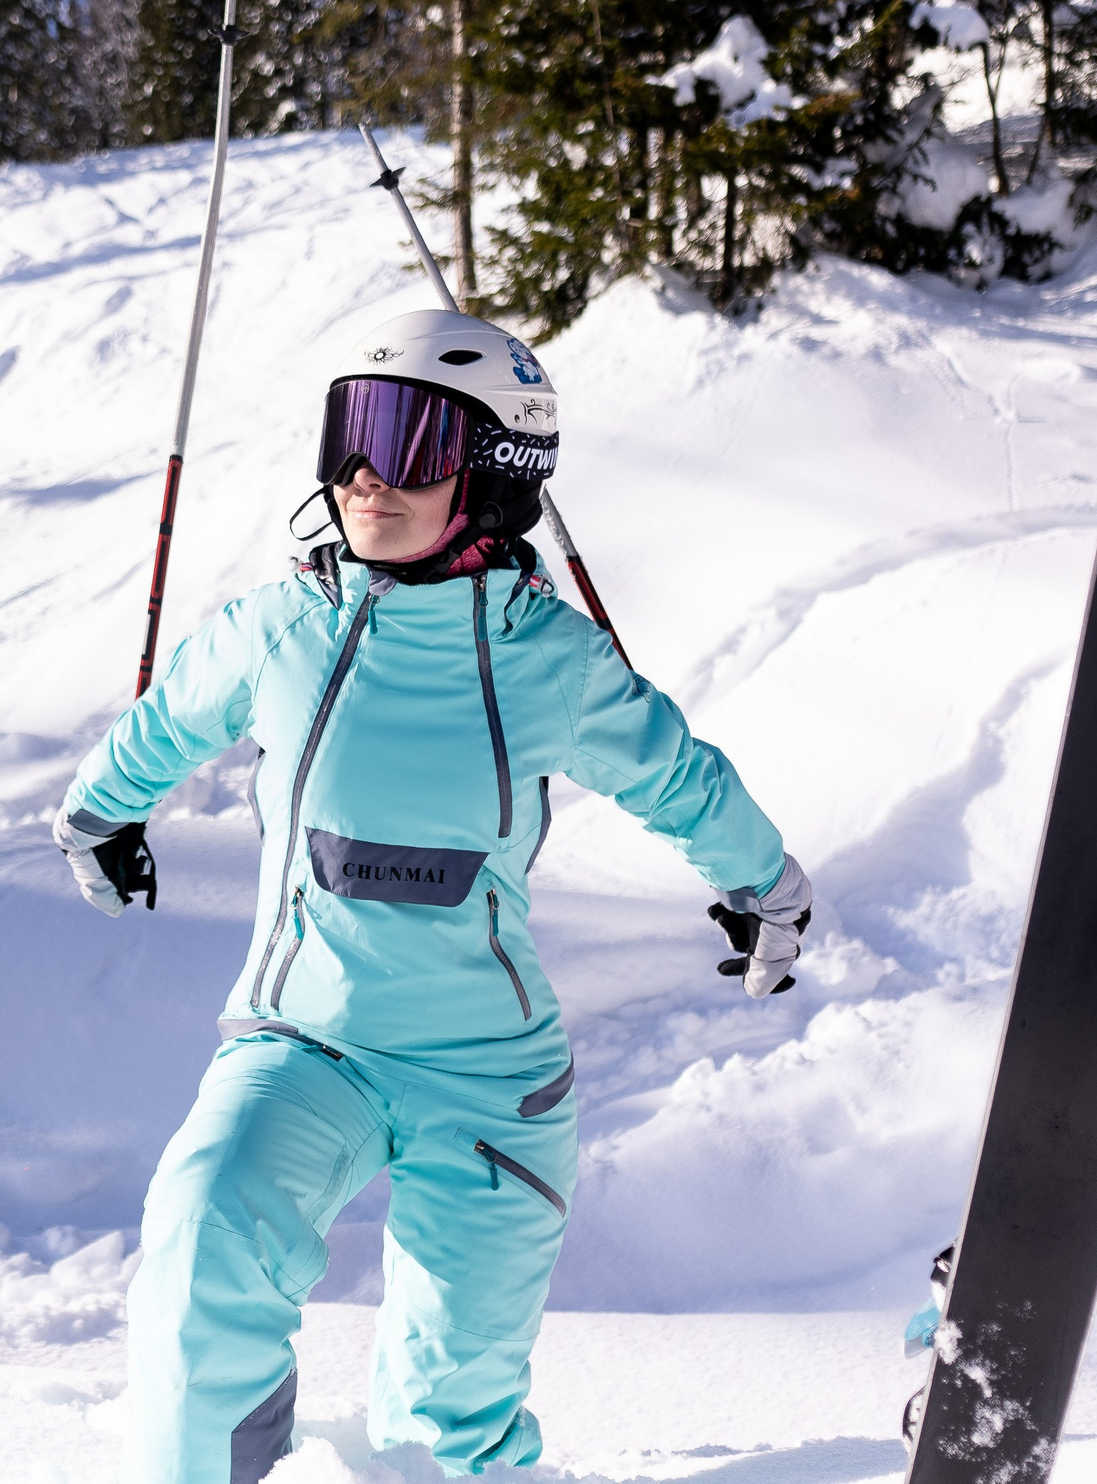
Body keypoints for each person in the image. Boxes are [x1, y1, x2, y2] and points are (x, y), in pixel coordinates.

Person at [54, 309, 811, 1483]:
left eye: (409, 442)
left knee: (443, 1429)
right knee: (203, 1234)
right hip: (302, 1044)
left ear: (498, 471)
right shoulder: (282, 629)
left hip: (488, 1080)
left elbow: (676, 774)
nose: (366, 477)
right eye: (349, 436)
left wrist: (761, 886)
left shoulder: (546, 657)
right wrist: (101, 814)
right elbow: (166, 721)